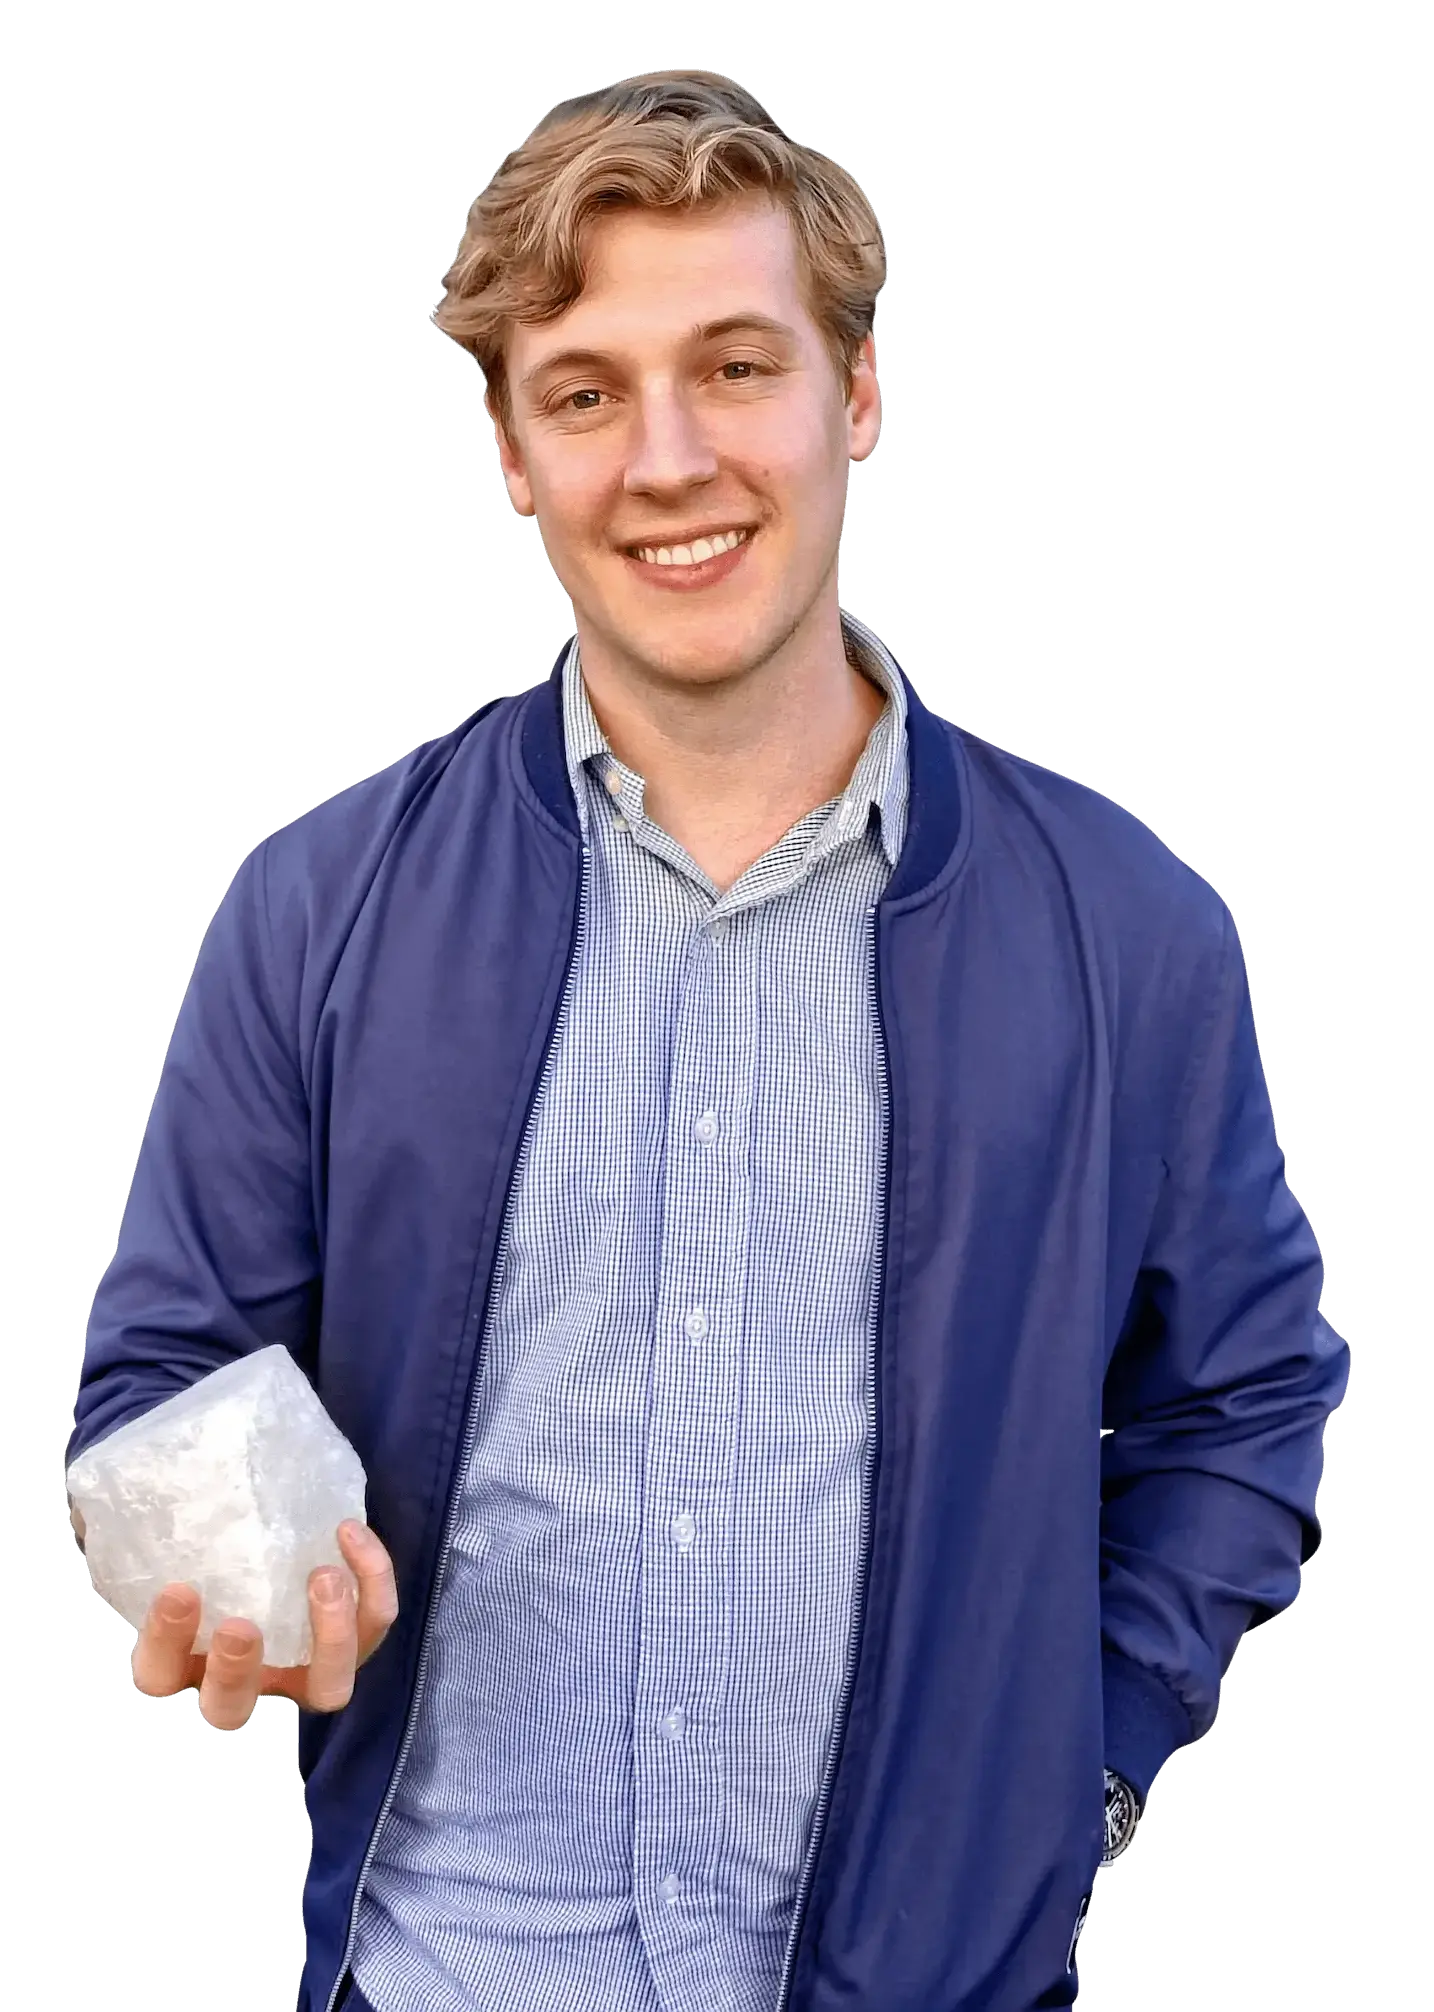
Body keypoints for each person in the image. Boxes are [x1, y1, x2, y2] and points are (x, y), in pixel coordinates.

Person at [67, 68, 1349, 2012]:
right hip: (448, 1970)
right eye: (585, 391)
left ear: (861, 399)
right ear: (511, 450)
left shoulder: (1130, 925)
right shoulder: (315, 905)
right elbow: (168, 1364)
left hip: (931, 1985)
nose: (667, 458)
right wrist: (211, 1552)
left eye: (736, 367)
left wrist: (1076, 1768)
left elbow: (1244, 1393)